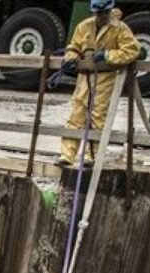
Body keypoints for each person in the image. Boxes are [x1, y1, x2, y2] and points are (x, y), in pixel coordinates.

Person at [58, 0, 139, 166]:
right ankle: (67, 155)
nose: (100, 17)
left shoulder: (120, 28)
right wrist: (70, 58)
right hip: (84, 76)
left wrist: (108, 55)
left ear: (109, 10)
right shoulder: (84, 26)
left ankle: (90, 156)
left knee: (97, 115)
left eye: (104, 13)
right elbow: (75, 46)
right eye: (98, 13)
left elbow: (132, 50)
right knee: (76, 114)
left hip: (105, 76)